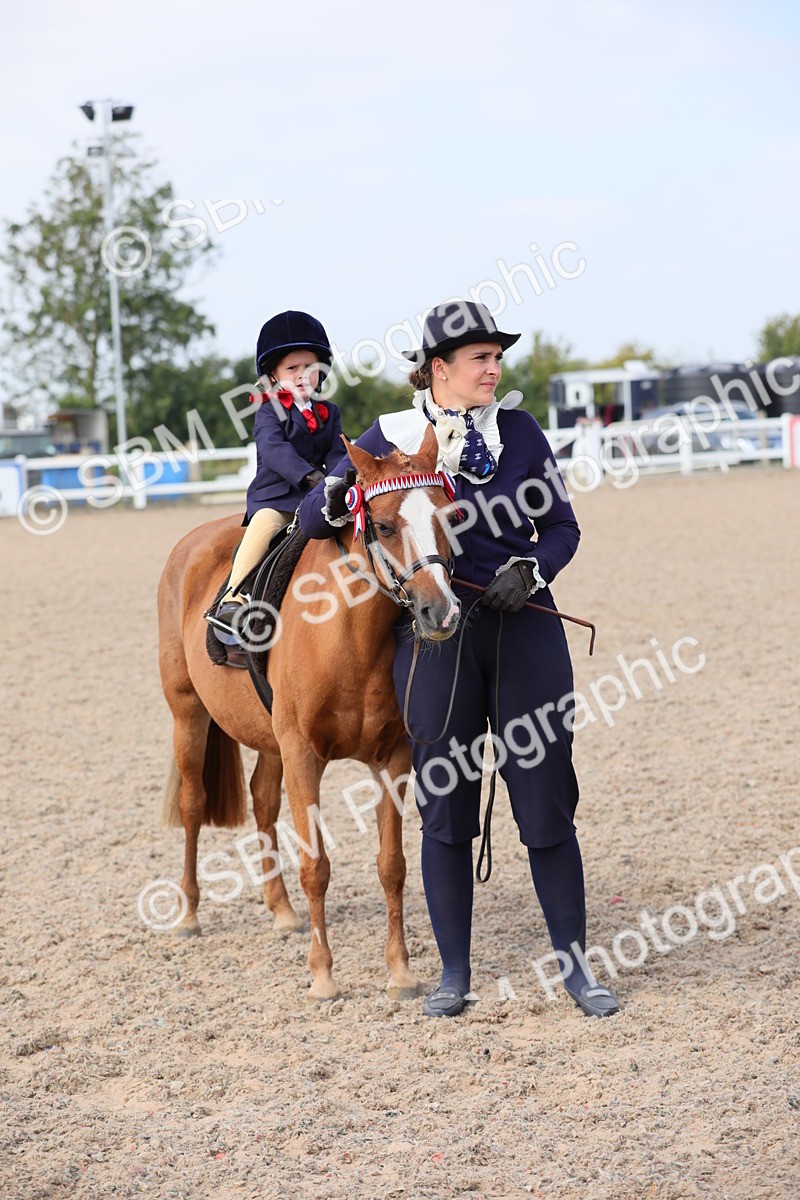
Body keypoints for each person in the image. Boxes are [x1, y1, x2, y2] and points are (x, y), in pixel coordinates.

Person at [298, 300, 620, 1020]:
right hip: (436, 644)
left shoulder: (522, 432)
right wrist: (339, 490)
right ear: (439, 369)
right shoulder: (391, 436)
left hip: (525, 631)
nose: (494, 368)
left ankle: (577, 970)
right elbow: (323, 518)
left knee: (547, 803)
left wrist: (533, 568)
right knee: (445, 809)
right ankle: (452, 974)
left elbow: (563, 526)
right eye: (481, 358)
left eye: (497, 357)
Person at [207, 310, 346, 634]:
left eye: (309, 368)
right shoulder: (269, 411)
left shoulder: (330, 412)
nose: (301, 375)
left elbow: (338, 452)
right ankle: (233, 597)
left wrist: (340, 478)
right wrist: (312, 478)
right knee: (264, 524)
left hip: (319, 495)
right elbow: (274, 451)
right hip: (279, 496)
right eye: (292, 368)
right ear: (274, 376)